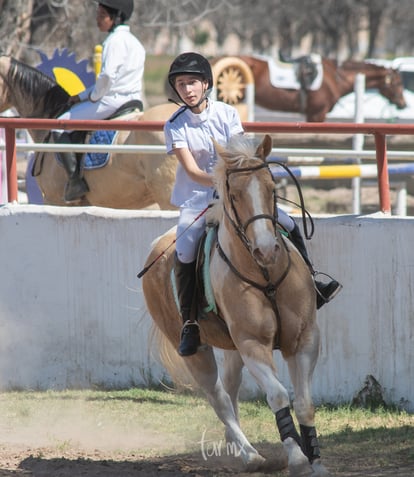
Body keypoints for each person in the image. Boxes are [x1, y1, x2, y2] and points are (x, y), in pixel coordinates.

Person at [164, 52, 342, 357]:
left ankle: (312, 283)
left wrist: (241, 185)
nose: (187, 89)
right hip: (198, 198)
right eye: (181, 84)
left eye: (192, 82)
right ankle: (190, 321)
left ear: (205, 83)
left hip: (239, 194)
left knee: (287, 222)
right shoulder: (175, 124)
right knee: (184, 247)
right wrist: (226, 183)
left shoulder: (227, 113)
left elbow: (243, 154)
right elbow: (193, 171)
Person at [53, 0, 145, 202]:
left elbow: (107, 77)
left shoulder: (113, 42)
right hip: (134, 100)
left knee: (59, 126)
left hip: (112, 100)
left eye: (102, 14)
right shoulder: (136, 43)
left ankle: (75, 181)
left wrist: (93, 98)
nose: (97, 19)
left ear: (115, 17)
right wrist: (82, 95)